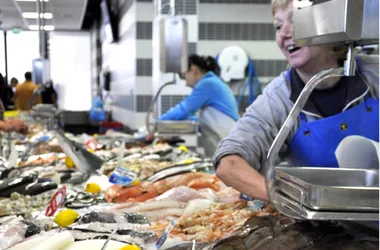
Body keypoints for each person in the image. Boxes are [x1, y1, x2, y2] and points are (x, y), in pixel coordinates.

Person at [213, 0, 379, 201]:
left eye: (297, 21)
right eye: (278, 26)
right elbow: (229, 163)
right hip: (320, 228)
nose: (284, 33)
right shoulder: (278, 98)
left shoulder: (373, 75)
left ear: (331, 25)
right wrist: (288, 200)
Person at [152, 54, 240, 157]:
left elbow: (184, 109)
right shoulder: (213, 82)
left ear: (193, 70)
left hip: (227, 145)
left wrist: (157, 124)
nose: (186, 83)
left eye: (185, 76)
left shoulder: (208, 84)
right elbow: (208, 118)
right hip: (225, 144)